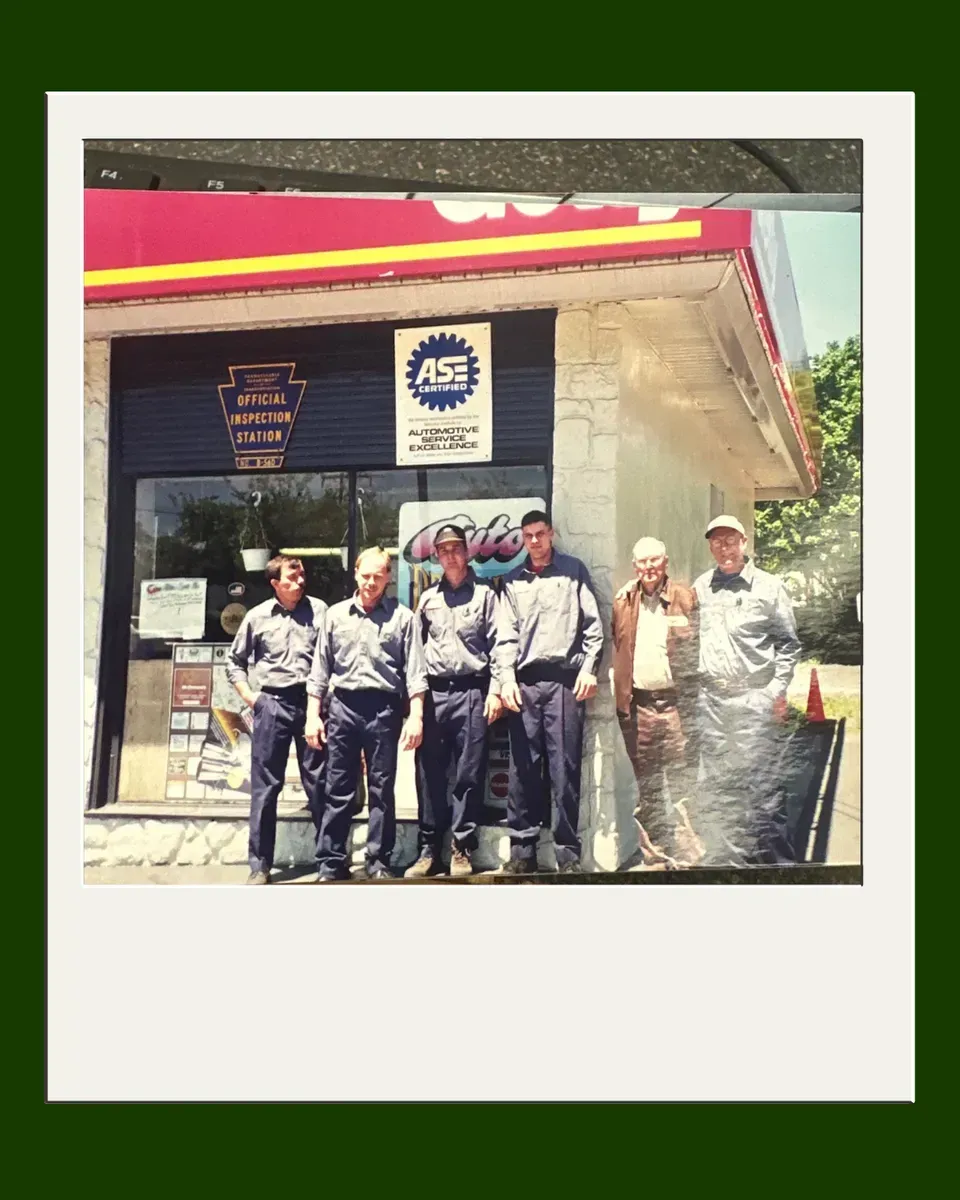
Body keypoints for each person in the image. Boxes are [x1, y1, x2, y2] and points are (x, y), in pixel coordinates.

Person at [305, 547, 427, 881]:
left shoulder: (403, 618)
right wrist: (313, 715)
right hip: (342, 707)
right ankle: (331, 861)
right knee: (338, 787)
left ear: (388, 577)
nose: (371, 582)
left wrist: (415, 716)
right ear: (356, 574)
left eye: (378, 576)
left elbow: (416, 673)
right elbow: (319, 670)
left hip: (383, 709)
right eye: (365, 575)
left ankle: (378, 861)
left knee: (381, 789)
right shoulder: (335, 616)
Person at [497, 511, 603, 874]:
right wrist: (505, 680)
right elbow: (504, 636)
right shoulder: (512, 581)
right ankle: (522, 851)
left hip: (564, 683)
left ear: (551, 534)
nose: (535, 542)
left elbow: (593, 628)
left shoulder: (573, 572)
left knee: (564, 770)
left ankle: (567, 853)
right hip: (524, 685)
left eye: (540, 534)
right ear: (522, 539)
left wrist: (589, 671)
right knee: (523, 770)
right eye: (528, 536)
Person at [693, 515, 802, 865]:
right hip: (712, 703)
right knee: (720, 787)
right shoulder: (701, 587)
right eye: (716, 541)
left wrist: (773, 692)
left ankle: (779, 869)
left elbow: (789, 645)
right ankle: (730, 866)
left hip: (753, 700)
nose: (723, 548)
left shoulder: (769, 588)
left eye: (729, 540)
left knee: (763, 788)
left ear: (744, 542)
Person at [405, 524, 502, 880]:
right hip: (435, 694)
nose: (449, 555)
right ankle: (429, 847)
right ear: (436, 556)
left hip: (473, 692)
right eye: (443, 550)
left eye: (455, 548)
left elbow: (499, 645)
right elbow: (415, 653)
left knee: (468, 773)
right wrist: (415, 702)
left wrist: (495, 691)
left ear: (467, 552)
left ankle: (462, 846)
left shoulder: (486, 597)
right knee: (429, 773)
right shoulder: (428, 599)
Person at [226, 555, 327, 886]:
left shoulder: (321, 611)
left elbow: (334, 656)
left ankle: (328, 859)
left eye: (302, 577)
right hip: (273, 704)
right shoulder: (257, 617)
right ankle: (260, 864)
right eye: (291, 578)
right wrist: (251, 697)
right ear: (274, 584)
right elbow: (235, 661)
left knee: (319, 782)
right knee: (266, 786)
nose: (299, 583)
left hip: (312, 705)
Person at [612, 537, 703, 869]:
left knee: (682, 781)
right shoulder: (623, 601)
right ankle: (655, 855)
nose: (648, 568)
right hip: (640, 708)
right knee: (647, 785)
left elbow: (701, 643)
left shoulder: (685, 597)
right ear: (635, 566)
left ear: (665, 562)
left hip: (677, 705)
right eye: (642, 562)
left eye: (654, 561)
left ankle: (689, 855)